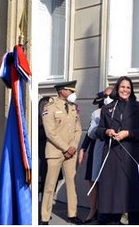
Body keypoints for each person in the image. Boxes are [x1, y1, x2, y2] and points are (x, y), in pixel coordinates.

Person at [95, 76, 139, 225]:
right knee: (112, 197)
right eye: (122, 87)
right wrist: (107, 131)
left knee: (134, 198)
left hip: (133, 156)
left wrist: (128, 133)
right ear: (117, 89)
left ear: (131, 90)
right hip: (112, 157)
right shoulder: (108, 108)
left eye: (128, 87)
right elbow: (98, 131)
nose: (125, 90)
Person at [40, 80, 82, 225]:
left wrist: (74, 146)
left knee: (71, 184)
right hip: (55, 151)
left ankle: (72, 214)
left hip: (71, 152)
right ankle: (45, 217)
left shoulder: (73, 108)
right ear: (61, 91)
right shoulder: (50, 107)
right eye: (70, 90)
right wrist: (66, 147)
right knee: (50, 185)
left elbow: (78, 129)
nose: (73, 93)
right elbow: (50, 133)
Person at [78, 87, 113, 224]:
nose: (107, 99)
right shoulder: (97, 113)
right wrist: (83, 148)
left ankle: (108, 212)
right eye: (105, 96)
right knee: (93, 179)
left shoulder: (121, 109)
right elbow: (90, 134)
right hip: (97, 147)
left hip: (113, 149)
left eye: (110, 96)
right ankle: (93, 209)